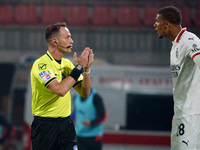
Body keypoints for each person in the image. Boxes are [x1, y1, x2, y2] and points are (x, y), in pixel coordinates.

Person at [30, 22, 94, 150]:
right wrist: (79, 68)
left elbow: (85, 93)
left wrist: (86, 70)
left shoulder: (68, 64)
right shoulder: (41, 65)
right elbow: (60, 90)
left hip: (66, 125)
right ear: (55, 42)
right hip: (45, 127)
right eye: (67, 37)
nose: (72, 41)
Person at [154, 6, 200, 150]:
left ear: (166, 24)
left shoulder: (189, 40)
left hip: (192, 114)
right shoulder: (176, 46)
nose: (155, 25)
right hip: (182, 114)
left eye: (157, 21)